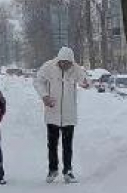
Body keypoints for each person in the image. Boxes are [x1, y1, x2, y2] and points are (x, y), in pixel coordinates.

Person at [33, 47, 89, 182]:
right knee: (52, 144)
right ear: (58, 60)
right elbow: (38, 81)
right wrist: (45, 96)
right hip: (53, 112)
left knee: (67, 145)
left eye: (67, 63)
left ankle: (68, 171)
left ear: (71, 62)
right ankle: (52, 170)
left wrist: (86, 83)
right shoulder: (48, 67)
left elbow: (84, 79)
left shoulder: (75, 69)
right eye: (62, 62)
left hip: (69, 114)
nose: (64, 65)